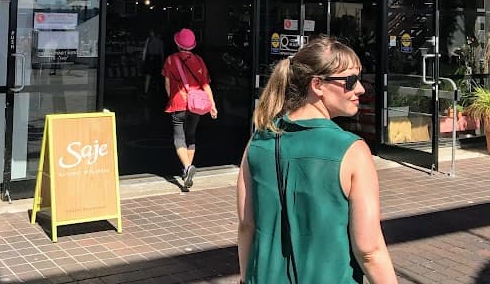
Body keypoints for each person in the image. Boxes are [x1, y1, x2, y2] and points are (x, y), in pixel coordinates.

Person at [236, 35, 397, 284]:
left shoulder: (259, 140)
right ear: (317, 85)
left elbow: (247, 225)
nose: (361, 89)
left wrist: (246, 278)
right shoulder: (352, 151)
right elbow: (369, 249)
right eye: (350, 81)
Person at [163, 28, 218, 188]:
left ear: (177, 43)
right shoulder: (199, 60)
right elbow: (205, 85)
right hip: (196, 105)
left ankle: (187, 168)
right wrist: (212, 104)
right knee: (191, 137)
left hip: (178, 103)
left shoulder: (171, 60)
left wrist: (171, 99)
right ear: (192, 45)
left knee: (178, 137)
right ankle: (186, 171)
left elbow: (167, 84)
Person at [141, 29, 164, 97]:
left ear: (153, 33)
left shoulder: (149, 40)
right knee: (157, 76)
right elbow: (162, 52)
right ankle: (157, 91)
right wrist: (162, 62)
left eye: (151, 32)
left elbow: (145, 50)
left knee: (148, 76)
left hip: (150, 58)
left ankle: (146, 91)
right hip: (157, 58)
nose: (150, 33)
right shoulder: (160, 41)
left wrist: (143, 59)